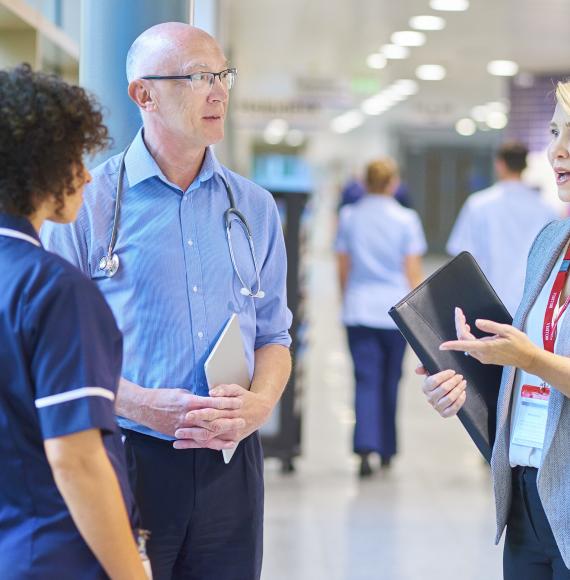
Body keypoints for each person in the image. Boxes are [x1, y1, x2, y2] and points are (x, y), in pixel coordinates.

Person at [42, 23, 292, 580]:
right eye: (199, 77)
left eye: (222, 75)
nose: (219, 91)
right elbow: (54, 356)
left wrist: (259, 405)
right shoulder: (86, 206)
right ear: (144, 95)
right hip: (128, 455)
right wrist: (139, 404)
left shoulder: (254, 207)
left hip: (233, 463)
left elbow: (274, 335)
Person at [0, 65, 148, 579]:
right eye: (75, 158)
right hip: (52, 556)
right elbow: (77, 461)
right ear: (35, 166)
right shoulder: (54, 290)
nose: (88, 175)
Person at [418, 81, 570, 579]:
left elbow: (537, 361)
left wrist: (528, 358)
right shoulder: (550, 240)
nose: (557, 150)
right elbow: (530, 374)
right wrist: (465, 379)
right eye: (554, 132)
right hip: (529, 486)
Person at [335, 158, 426, 477]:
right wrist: (418, 316)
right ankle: (387, 448)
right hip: (394, 313)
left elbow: (343, 265)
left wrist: (345, 299)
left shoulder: (349, 216)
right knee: (391, 379)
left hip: (359, 310)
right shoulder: (406, 219)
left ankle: (365, 447)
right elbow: (412, 269)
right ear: (393, 183)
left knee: (365, 379)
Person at [447, 141, 558, 316]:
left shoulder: (478, 204)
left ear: (500, 164)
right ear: (525, 165)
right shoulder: (547, 209)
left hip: (486, 301)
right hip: (532, 304)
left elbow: (461, 254)